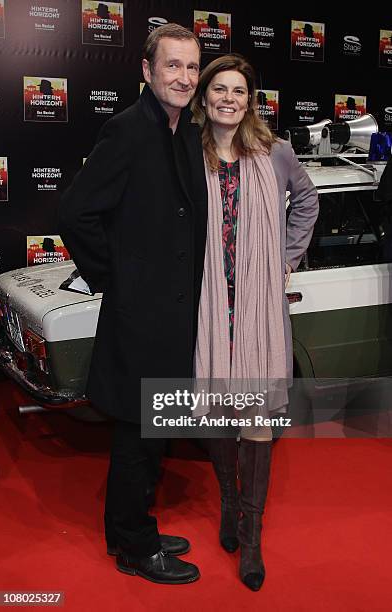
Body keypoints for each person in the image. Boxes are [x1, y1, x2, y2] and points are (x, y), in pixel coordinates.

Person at [58, 24, 207, 585]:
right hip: (139, 316)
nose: (184, 78)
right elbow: (75, 214)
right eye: (173, 66)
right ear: (146, 71)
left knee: (152, 429)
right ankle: (136, 549)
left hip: (174, 315)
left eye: (192, 68)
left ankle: (127, 528)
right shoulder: (126, 130)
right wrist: (118, 279)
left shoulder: (183, 131)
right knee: (138, 433)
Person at [191, 54, 318, 591]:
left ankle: (252, 535)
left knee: (256, 419)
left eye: (239, 91)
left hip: (260, 306)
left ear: (250, 100)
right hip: (205, 301)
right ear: (204, 97)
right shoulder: (184, 150)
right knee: (220, 414)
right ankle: (228, 501)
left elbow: (307, 201)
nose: (229, 98)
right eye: (219, 88)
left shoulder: (276, 151)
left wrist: (286, 257)